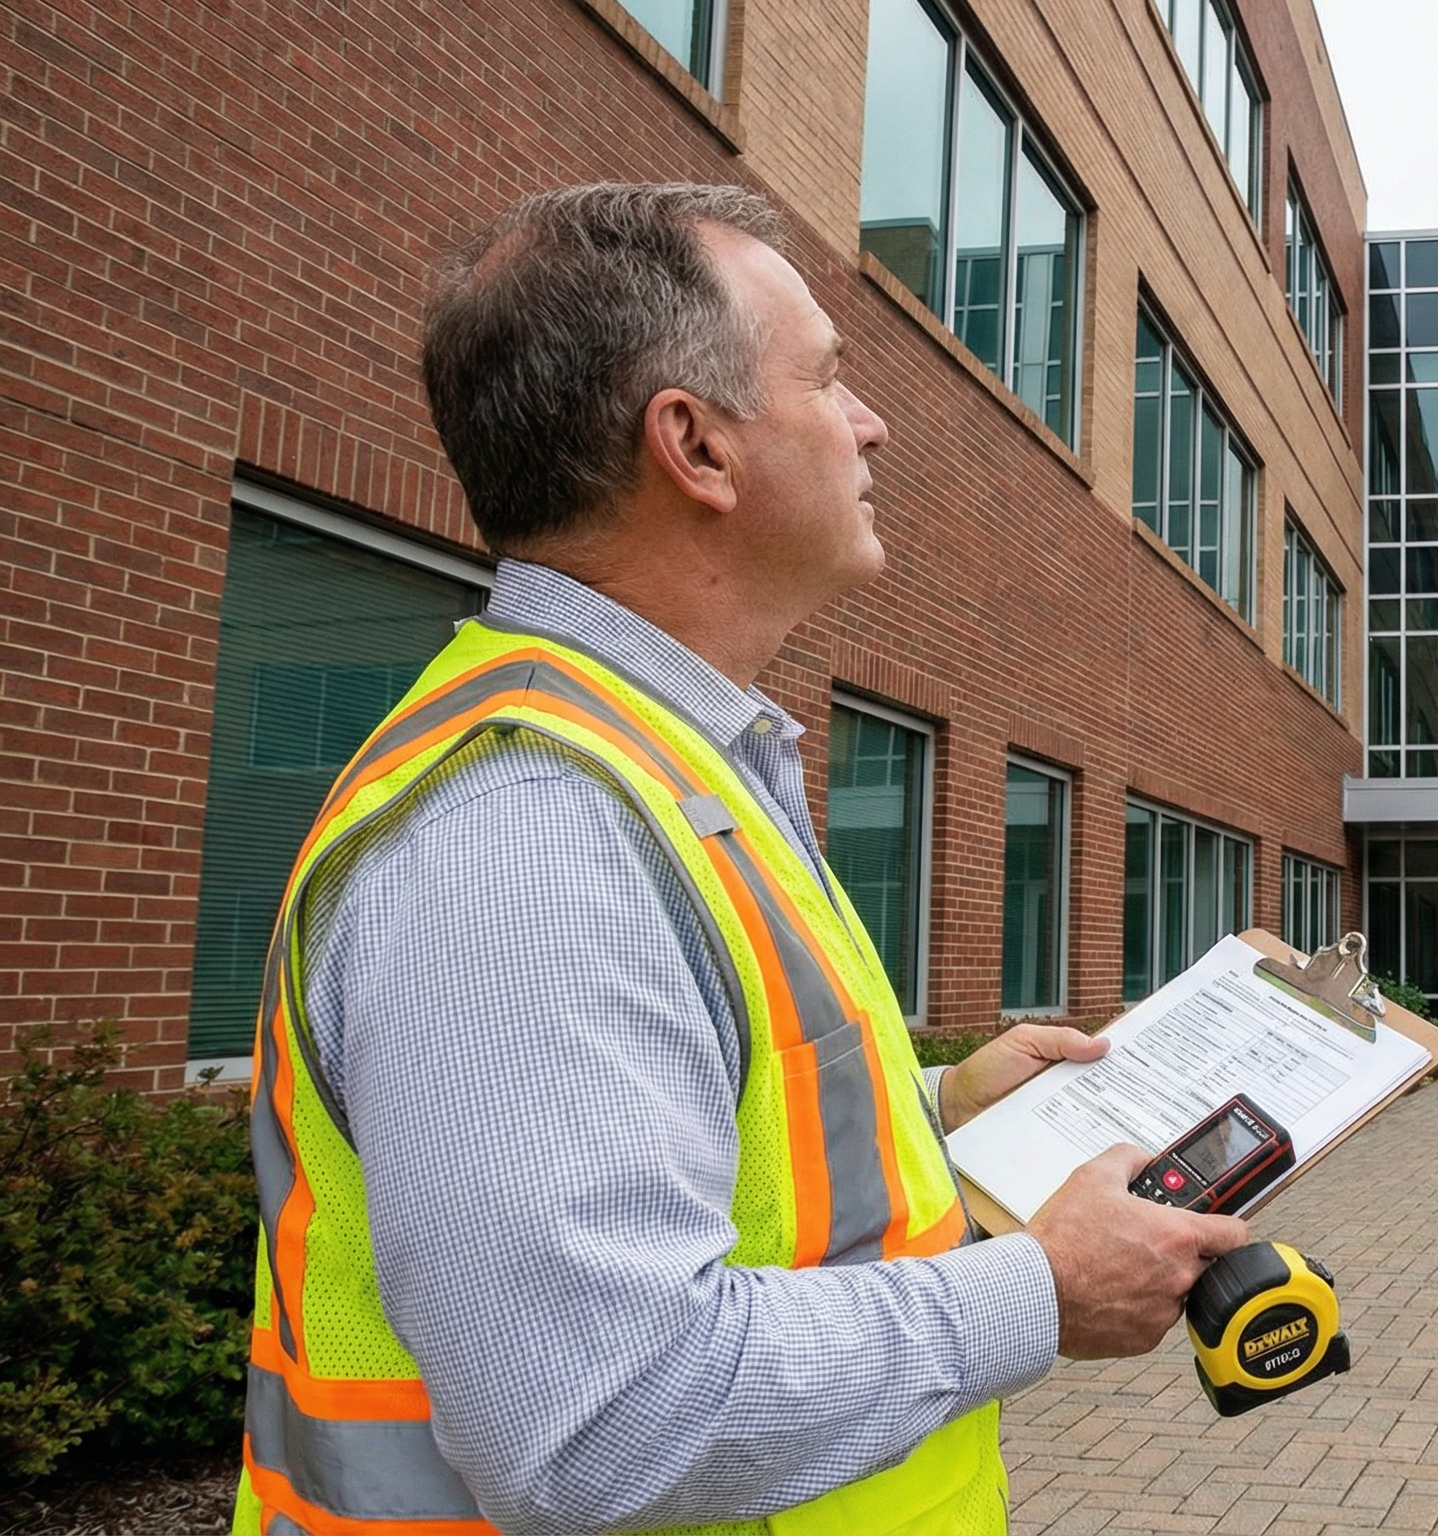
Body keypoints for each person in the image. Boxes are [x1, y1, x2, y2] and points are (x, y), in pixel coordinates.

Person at [229, 183, 1250, 1536]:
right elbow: (599, 1424)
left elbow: (712, 1131)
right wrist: (1037, 1292)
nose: (870, 419)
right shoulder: (528, 832)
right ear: (696, 448)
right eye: (829, 375)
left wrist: (941, 1110)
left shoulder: (673, 761)